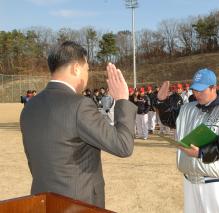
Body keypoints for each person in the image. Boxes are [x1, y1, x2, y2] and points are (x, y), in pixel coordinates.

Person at [20, 41, 137, 208]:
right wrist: (122, 100)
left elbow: (34, 160)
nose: (87, 75)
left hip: (43, 201)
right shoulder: (79, 105)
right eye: (87, 69)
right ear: (76, 68)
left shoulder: (30, 106)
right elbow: (123, 145)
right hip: (78, 203)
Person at [156, 68, 219, 213]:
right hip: (190, 178)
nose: (197, 94)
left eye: (201, 90)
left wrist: (201, 152)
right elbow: (168, 119)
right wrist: (162, 102)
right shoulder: (187, 108)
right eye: (195, 90)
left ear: (213, 87)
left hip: (213, 180)